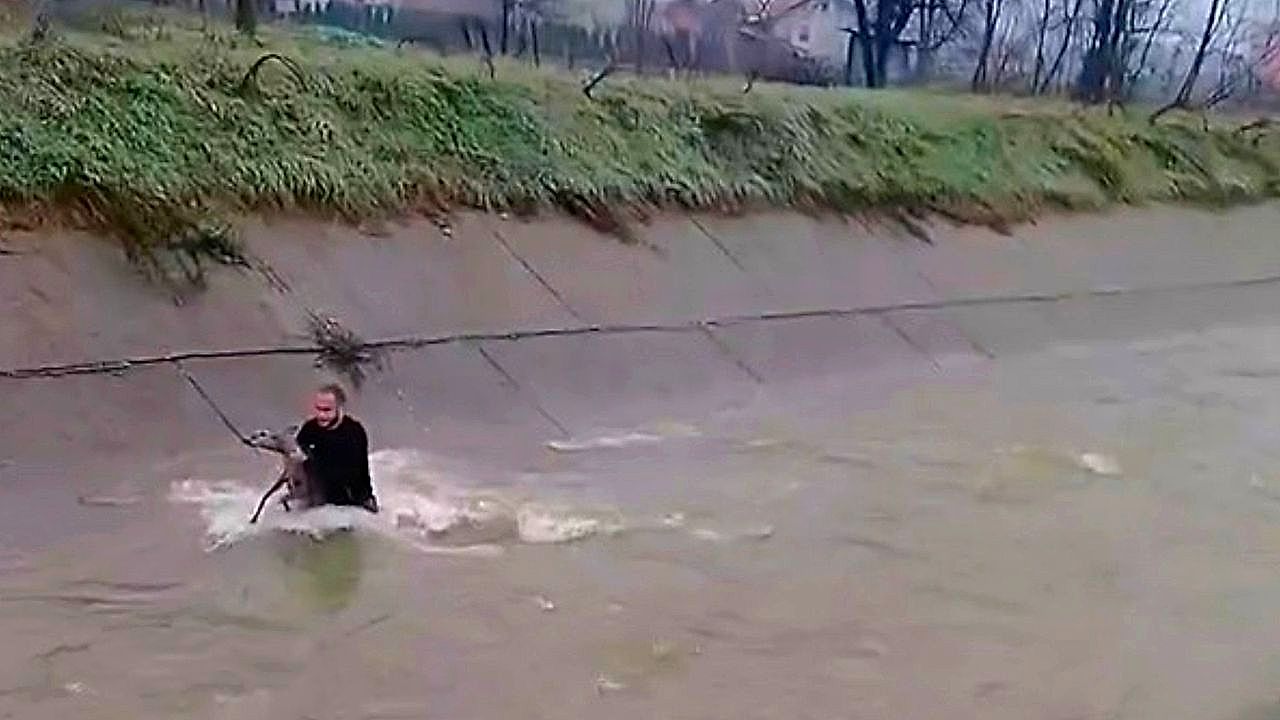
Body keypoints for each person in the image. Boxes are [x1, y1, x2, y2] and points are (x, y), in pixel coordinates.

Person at [295, 383, 379, 513]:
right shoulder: (309, 429)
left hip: (350, 496)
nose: (321, 415)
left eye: (327, 410)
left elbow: (357, 472)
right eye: (318, 409)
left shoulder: (354, 432)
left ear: (339, 408)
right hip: (316, 493)